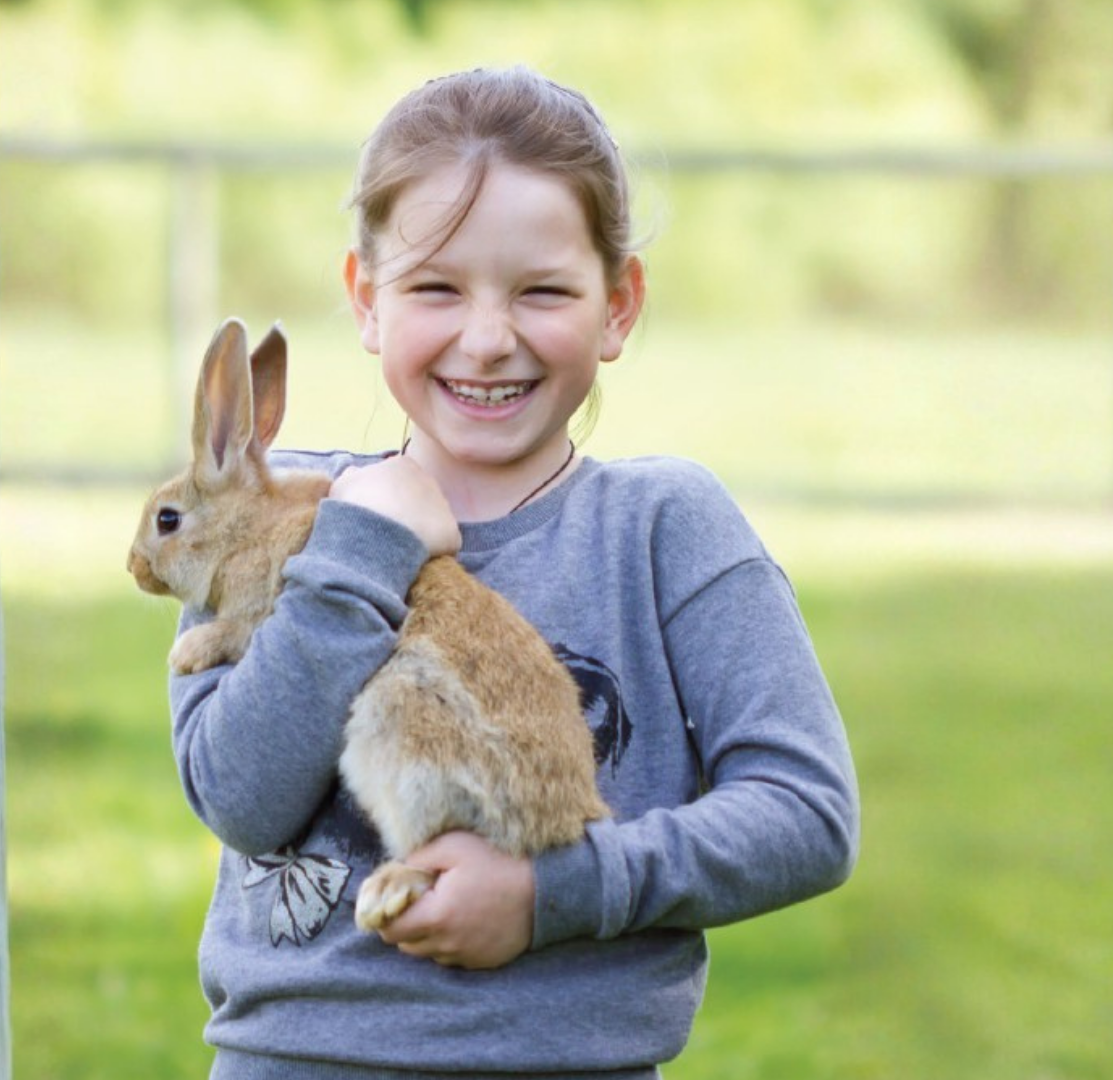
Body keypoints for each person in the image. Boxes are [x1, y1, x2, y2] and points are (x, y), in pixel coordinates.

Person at [170, 66, 859, 1079]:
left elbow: (807, 813)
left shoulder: (663, 529)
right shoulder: (268, 520)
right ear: (365, 299)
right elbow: (240, 797)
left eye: (541, 290)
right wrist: (359, 555)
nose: (488, 340)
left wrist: (551, 894)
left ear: (618, 305)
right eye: (435, 288)